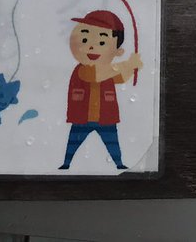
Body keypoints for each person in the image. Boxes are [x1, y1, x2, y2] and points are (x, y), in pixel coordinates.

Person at [58, 9, 142, 170]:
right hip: (83, 116)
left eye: (102, 43)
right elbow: (97, 75)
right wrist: (127, 64)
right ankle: (66, 163)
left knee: (112, 142)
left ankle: (118, 164)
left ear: (118, 51)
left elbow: (119, 78)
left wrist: (132, 68)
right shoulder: (83, 69)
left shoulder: (108, 71)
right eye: (84, 39)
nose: (91, 46)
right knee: (74, 141)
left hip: (105, 116)